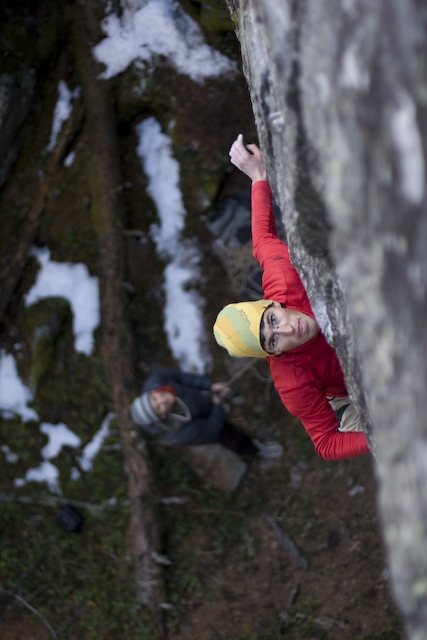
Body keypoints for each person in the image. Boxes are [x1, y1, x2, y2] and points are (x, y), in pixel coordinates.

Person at [213, 134, 370, 461]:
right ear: (273, 354)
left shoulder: (283, 280)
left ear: (272, 304)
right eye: (272, 341)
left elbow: (263, 239)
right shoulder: (292, 381)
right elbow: (326, 444)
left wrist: (257, 178)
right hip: (355, 391)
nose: (286, 331)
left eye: (272, 320)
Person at [130, 368, 283, 458]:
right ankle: (255, 450)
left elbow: (182, 377)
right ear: (162, 416)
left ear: (151, 393)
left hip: (198, 396)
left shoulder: (156, 381)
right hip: (204, 418)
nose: (162, 400)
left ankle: (225, 396)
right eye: (158, 407)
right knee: (230, 436)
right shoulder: (177, 433)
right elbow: (211, 430)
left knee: (219, 389)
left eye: (155, 398)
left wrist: (208, 386)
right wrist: (217, 407)